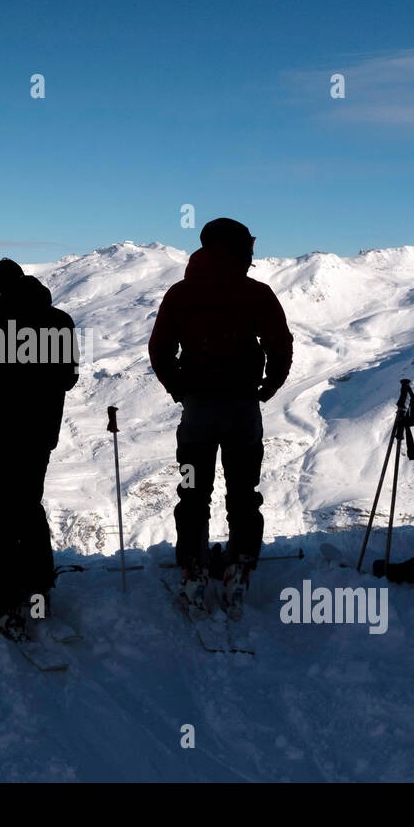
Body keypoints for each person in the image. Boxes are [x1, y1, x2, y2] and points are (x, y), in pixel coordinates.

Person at [149, 218, 293, 610]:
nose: (252, 253)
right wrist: (271, 384)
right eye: (249, 246)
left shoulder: (181, 293)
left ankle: (193, 564)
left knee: (192, 489)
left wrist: (180, 389)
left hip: (197, 414)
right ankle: (240, 562)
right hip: (243, 410)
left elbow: (160, 350)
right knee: (243, 492)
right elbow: (280, 343)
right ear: (238, 250)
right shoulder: (256, 293)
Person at [0, 259, 79, 640]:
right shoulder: (60, 321)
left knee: (2, 517)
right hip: (39, 434)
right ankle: (39, 592)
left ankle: (5, 605)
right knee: (29, 506)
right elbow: (68, 378)